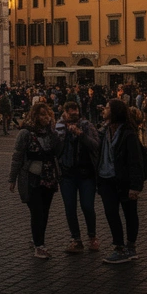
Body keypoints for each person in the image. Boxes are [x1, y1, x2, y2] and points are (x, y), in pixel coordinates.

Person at [9, 102, 63, 259]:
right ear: (34, 116)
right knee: (37, 212)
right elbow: (17, 157)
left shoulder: (50, 133)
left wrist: (53, 131)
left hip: (49, 177)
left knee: (44, 212)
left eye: (46, 114)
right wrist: (12, 178)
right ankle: (39, 246)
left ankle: (37, 238)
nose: (44, 117)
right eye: (41, 114)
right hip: (32, 177)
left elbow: (59, 150)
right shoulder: (25, 133)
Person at [96, 98, 144, 264]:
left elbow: (135, 161)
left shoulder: (128, 133)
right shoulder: (104, 130)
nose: (104, 110)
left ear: (114, 112)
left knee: (130, 213)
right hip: (105, 178)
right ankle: (119, 246)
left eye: (107, 108)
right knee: (111, 213)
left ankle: (131, 246)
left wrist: (135, 187)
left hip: (123, 180)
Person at [56, 101, 101, 254]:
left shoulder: (87, 126)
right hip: (67, 174)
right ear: (64, 113)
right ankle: (76, 239)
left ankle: (92, 236)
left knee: (87, 206)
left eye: (75, 110)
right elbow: (55, 148)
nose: (73, 113)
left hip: (85, 174)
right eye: (69, 111)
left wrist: (80, 135)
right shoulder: (59, 128)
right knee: (70, 207)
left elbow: (96, 145)